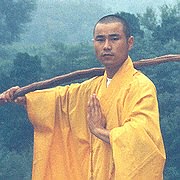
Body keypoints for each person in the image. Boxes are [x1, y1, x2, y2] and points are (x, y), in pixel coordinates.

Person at [0, 14, 166, 180]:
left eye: (114, 39)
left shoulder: (141, 86)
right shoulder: (93, 87)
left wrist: (98, 130)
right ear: (94, 43)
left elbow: (141, 137)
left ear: (130, 42)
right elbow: (61, 101)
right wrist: (26, 98)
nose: (107, 46)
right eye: (100, 40)